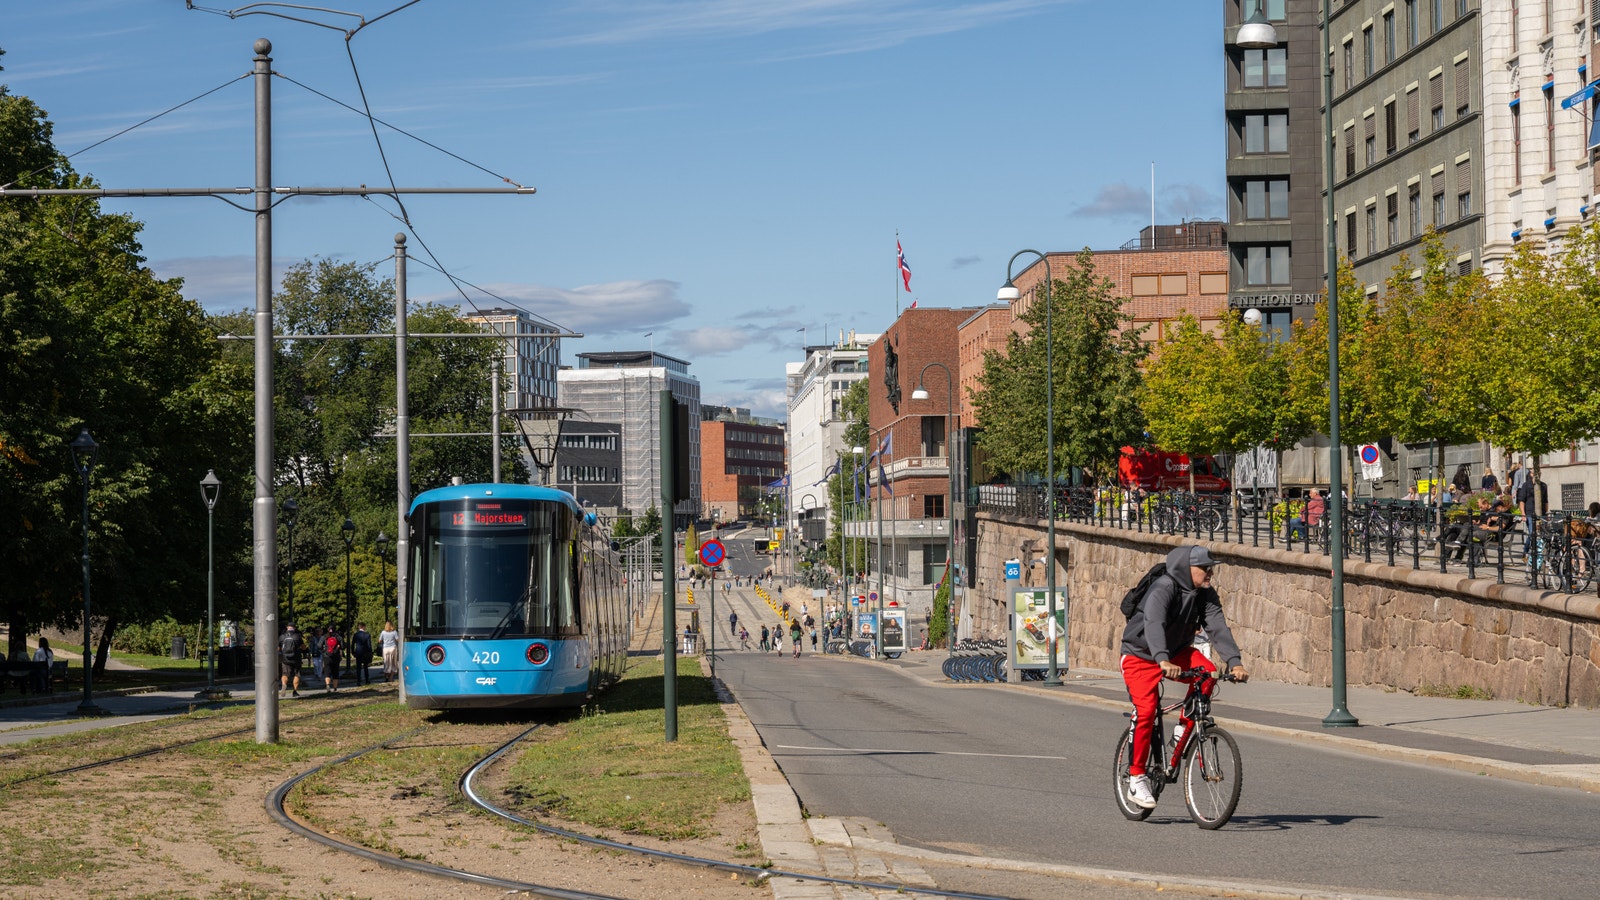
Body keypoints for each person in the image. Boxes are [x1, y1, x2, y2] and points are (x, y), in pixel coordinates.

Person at [1120, 546, 1248, 811]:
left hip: (1176, 653)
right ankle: (1136, 777)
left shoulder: (1205, 593)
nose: (1211, 572)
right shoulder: (1164, 588)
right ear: (1187, 569)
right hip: (1140, 655)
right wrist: (1161, 659)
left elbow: (1217, 626)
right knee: (1145, 712)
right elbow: (1153, 623)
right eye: (1205, 568)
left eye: (1212, 568)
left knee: (1207, 673)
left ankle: (1182, 730)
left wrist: (1234, 663)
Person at [279, 624, 304, 697]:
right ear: (294, 628)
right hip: (296, 659)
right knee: (297, 674)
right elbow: (303, 647)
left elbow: (278, 648)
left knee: (285, 674)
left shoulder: (282, 636)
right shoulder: (297, 636)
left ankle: (284, 685)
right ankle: (295, 691)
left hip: (285, 659)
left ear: (287, 627)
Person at [323, 628, 343, 692]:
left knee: (327, 671)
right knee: (335, 673)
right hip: (336, 657)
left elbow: (319, 645)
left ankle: (328, 685)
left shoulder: (324, 637)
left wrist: (324, 651)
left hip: (327, 656)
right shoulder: (338, 637)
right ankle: (335, 688)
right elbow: (343, 646)